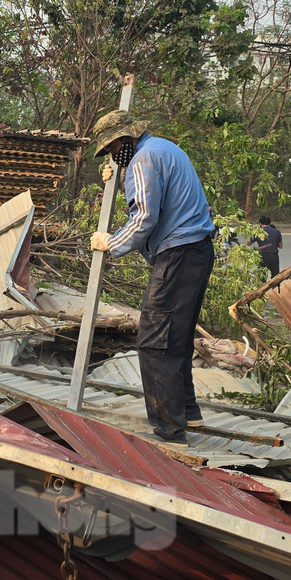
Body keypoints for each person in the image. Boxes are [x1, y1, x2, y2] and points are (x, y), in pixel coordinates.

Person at [89, 110, 215, 445]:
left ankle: (168, 430)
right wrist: (116, 179)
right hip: (197, 251)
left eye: (113, 149)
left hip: (178, 254)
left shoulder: (143, 160)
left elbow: (144, 216)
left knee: (154, 340)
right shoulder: (162, 149)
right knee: (177, 338)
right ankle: (188, 413)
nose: (113, 156)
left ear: (126, 139)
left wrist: (110, 242)